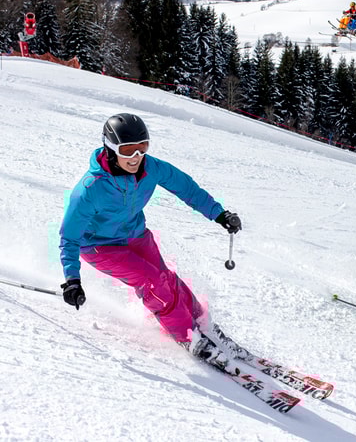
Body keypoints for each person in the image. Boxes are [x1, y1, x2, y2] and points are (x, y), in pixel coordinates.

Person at [59, 113, 244, 367]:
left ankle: (200, 321)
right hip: (99, 246)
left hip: (135, 234)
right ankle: (188, 336)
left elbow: (186, 188)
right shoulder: (91, 188)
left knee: (165, 276)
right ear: (111, 149)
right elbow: (69, 237)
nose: (136, 158)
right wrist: (72, 280)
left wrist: (219, 214)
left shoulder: (151, 167)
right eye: (128, 151)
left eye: (142, 148)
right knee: (153, 281)